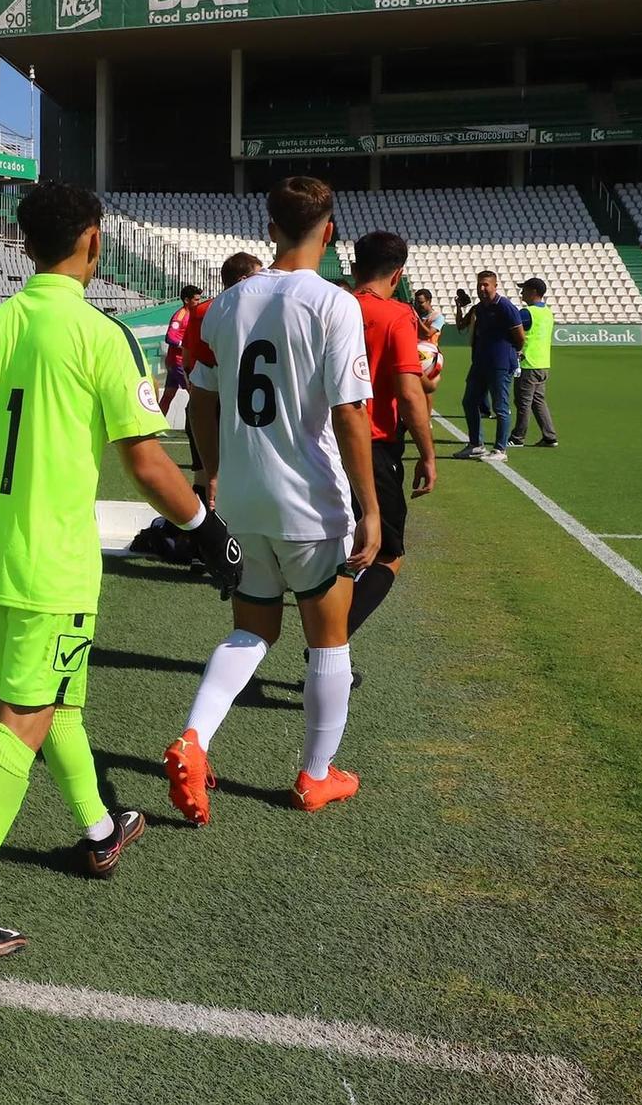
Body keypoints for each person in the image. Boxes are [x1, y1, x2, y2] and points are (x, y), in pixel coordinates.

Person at [0, 181, 242, 956]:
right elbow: (145, 460)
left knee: (52, 701)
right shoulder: (99, 335)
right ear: (92, 239)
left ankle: (99, 830)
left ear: (25, 244)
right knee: (23, 716)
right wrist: (208, 529)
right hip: (53, 565)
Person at [164, 176, 380, 827]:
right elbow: (349, 414)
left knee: (251, 628)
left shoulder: (226, 306)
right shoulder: (335, 304)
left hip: (244, 498)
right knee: (328, 639)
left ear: (269, 228)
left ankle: (195, 739)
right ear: (330, 231)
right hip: (310, 499)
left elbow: (200, 398)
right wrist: (370, 508)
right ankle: (316, 776)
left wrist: (211, 472)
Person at [345, 233, 437, 648]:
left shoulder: (331, 306)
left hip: (320, 443)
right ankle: (331, 643)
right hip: (374, 445)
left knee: (340, 548)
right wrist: (428, 455)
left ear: (354, 264)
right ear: (398, 274)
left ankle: (327, 646)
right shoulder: (397, 315)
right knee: (386, 553)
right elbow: (409, 391)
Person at [182, 254, 264, 487]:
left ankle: (205, 520)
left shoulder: (206, 309)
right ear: (244, 279)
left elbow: (189, 359)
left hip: (206, 398)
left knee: (205, 473)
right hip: (231, 405)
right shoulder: (241, 311)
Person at [454, 270, 527, 461]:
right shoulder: (480, 308)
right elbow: (461, 325)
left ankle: (500, 449)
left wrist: (510, 353)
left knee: (500, 407)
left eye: (486, 284)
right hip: (480, 362)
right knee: (469, 401)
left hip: (500, 363)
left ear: (495, 286)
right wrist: (459, 307)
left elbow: (520, 337)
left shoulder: (505, 307)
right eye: (480, 284)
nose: (482, 288)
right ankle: (476, 445)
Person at [510, 277, 558, 448]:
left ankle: (518, 437)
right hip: (543, 362)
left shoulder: (527, 312)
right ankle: (549, 435)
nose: (522, 292)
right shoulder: (547, 311)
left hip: (528, 363)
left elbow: (513, 331)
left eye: (525, 289)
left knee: (523, 402)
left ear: (533, 292)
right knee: (538, 401)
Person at [159, 286, 205, 417]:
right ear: (186, 300)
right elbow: (170, 337)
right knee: (195, 393)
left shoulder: (192, 314)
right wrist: (186, 346)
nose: (199, 302)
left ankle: (157, 427)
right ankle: (194, 424)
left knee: (168, 395)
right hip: (179, 362)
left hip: (176, 362)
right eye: (196, 299)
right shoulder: (180, 316)